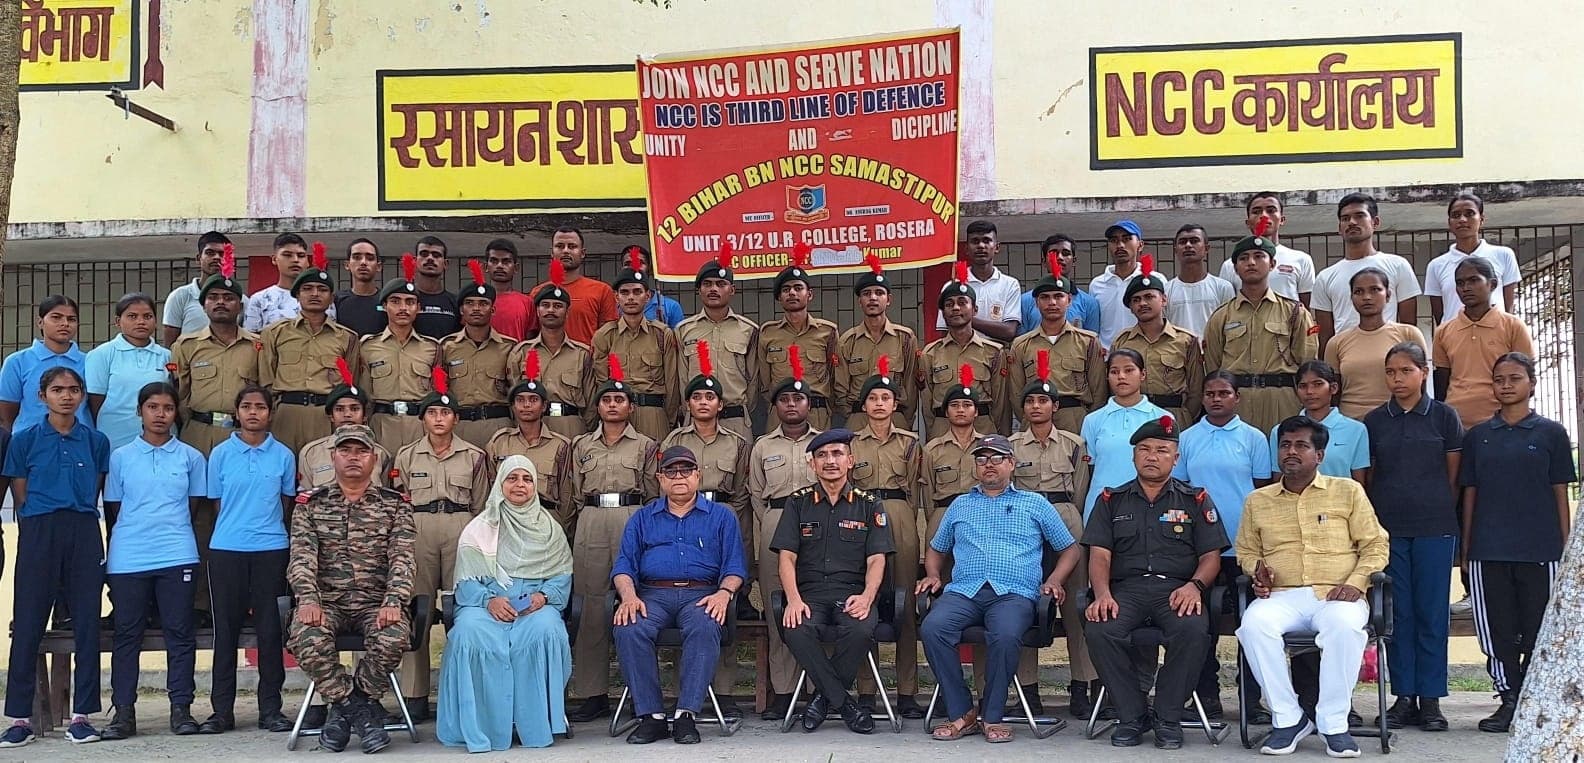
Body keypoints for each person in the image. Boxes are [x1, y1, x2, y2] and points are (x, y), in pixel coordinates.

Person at [1235, 416, 1389, 758]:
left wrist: (1356, 583)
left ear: (1319, 455)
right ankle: (1288, 719)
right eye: (1286, 445)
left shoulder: (1347, 491)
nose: (1291, 452)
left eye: (1301, 445)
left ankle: (1334, 723)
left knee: (1345, 626)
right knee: (1253, 626)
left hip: (1336, 594)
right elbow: (1246, 551)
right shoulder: (1257, 501)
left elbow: (1376, 546)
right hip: (1282, 595)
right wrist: (1257, 571)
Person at [917, 434, 1082, 744]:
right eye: (981, 459)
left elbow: (1070, 549)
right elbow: (937, 548)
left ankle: (992, 715)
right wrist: (933, 574)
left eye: (996, 459)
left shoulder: (1035, 504)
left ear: (1011, 464)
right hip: (964, 592)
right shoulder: (960, 504)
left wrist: (1054, 580)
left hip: (1014, 593)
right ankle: (961, 712)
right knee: (933, 627)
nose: (988, 465)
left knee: (1005, 635)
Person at [1085, 417, 1229, 749]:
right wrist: (1102, 594)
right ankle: (1132, 716)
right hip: (1127, 590)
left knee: (1193, 631)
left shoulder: (1195, 500)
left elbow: (1211, 557)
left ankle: (1168, 717)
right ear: (1134, 456)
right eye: (1145, 450)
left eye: (1162, 450)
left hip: (1177, 589)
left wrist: (1195, 586)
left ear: (1176, 458)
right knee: (1100, 629)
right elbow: (1100, 555)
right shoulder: (1111, 500)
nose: (1152, 456)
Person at [1460, 352, 1575, 734]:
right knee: (1497, 629)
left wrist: (1565, 549)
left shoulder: (1551, 433)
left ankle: (1532, 699)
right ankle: (1508, 699)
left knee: (1539, 626)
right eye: (1499, 379)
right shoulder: (1478, 436)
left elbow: (1560, 492)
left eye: (1514, 378)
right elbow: (1470, 494)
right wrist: (1467, 548)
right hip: (1488, 549)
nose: (1506, 385)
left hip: (1540, 549)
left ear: (1531, 383)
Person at [286, 424, 417, 755]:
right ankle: (358, 711)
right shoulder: (310, 504)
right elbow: (301, 558)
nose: (353, 458)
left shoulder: (394, 504)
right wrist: (308, 599)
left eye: (361, 451)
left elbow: (403, 559)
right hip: (326, 603)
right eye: (346, 451)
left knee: (393, 635)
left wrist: (393, 602)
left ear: (374, 459)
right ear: (333, 457)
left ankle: (343, 712)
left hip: (376, 604)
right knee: (307, 634)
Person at [0, 367, 112, 748]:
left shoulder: (96, 441)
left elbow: (95, 486)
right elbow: (20, 492)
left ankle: (82, 715)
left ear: (82, 395)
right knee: (29, 621)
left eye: (74, 389)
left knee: (86, 623)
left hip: (82, 529)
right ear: (41, 395)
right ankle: (19, 717)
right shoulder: (25, 440)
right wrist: (36, 527)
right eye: (58, 389)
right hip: (39, 530)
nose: (67, 396)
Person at [612, 446, 748, 745]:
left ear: (698, 476)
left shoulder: (722, 517)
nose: (679, 477)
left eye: (686, 470)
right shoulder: (642, 518)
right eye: (671, 472)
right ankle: (652, 717)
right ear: (660, 479)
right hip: (652, 595)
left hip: (702, 594)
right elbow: (623, 565)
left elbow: (735, 566)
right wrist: (629, 596)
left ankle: (686, 715)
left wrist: (724, 594)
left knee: (705, 624)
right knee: (629, 626)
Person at [438, 456, 574, 751]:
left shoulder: (550, 529)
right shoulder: (480, 528)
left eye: (527, 479)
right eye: (512, 478)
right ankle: (482, 726)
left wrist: (543, 597)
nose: (520, 485)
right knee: (467, 632)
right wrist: (489, 601)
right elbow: (467, 581)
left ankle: (537, 725)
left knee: (547, 629)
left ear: (535, 486)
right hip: (487, 606)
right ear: (500, 484)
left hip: (534, 608)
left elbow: (562, 577)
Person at [1363, 342, 1464, 733]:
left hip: (1435, 528)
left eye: (1406, 371)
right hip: (1389, 531)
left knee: (1432, 614)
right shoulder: (1374, 422)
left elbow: (1453, 477)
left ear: (1424, 372)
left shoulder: (1444, 417)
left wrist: (1438, 511)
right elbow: (1369, 477)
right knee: (1397, 615)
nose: (1398, 379)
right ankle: (1403, 696)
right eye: (1391, 372)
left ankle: (1432, 699)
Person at [101, 382, 207, 740]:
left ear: (177, 413)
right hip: (129, 556)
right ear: (139, 412)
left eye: (167, 408)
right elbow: (115, 508)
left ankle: (181, 710)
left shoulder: (190, 457)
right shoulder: (120, 457)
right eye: (152, 407)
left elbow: (193, 507)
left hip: (177, 553)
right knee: (126, 634)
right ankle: (124, 714)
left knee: (180, 633)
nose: (160, 415)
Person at [772, 429, 891, 734]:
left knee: (861, 630)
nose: (830, 461)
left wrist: (867, 596)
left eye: (837, 454)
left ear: (850, 461)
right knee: (795, 629)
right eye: (822, 455)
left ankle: (822, 701)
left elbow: (877, 558)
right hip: (809, 593)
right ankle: (846, 706)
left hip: (852, 592)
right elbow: (786, 557)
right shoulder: (798, 503)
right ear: (812, 464)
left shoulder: (869, 504)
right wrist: (794, 600)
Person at [391, 371, 492, 720]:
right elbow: (399, 501)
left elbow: (481, 505)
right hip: (417, 530)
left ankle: (462, 690)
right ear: (423, 419)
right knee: (414, 612)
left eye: (445, 413)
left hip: (461, 530)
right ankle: (414, 696)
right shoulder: (406, 456)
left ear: (456, 419)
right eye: (432, 413)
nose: (439, 419)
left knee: (464, 612)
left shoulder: (474, 456)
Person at [565, 362, 662, 723]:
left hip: (632, 517)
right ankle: (593, 693)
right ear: (598, 407)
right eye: (606, 400)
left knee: (638, 604)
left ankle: (641, 692)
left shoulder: (647, 445)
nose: (612, 405)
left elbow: (655, 494)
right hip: (591, 520)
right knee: (590, 607)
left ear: (631, 407)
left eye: (619, 399)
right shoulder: (580, 446)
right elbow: (573, 494)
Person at [661, 347, 756, 710]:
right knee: (680, 599)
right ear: (688, 404)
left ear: (720, 404)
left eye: (710, 397)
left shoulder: (738, 443)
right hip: (681, 525)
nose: (703, 402)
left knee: (720, 601)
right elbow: (665, 486)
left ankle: (725, 690)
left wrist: (728, 523)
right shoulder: (673, 442)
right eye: (697, 396)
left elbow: (745, 492)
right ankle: (682, 691)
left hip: (721, 521)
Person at [1173, 371, 1271, 718]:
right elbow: (1181, 490)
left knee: (1251, 623)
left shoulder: (1254, 438)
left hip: (1243, 547)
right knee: (1202, 627)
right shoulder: (1187, 438)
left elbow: (1262, 492)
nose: (1216, 398)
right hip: (1199, 548)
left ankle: (1251, 699)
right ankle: (1206, 697)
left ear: (1237, 398)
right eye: (1210, 393)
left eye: (1224, 393)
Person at [202, 385, 297, 734]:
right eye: (246, 406)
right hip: (227, 549)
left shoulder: (284, 455)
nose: (253, 412)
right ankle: (221, 712)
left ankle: (270, 708)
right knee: (224, 632)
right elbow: (216, 503)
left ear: (270, 414)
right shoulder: (221, 454)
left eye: (260, 407)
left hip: (271, 549)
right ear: (236, 412)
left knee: (271, 632)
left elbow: (286, 504)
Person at [171, 260, 260, 626]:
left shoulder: (257, 346)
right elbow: (177, 397)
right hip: (197, 437)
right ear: (204, 305)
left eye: (228, 297)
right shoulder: (186, 346)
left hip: (242, 439)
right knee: (200, 521)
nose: (221, 302)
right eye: (214, 298)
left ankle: (245, 603)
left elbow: (265, 392)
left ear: (240, 305)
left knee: (243, 514)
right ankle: (201, 605)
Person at [1008, 354, 1096, 717]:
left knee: (1076, 606)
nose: (1036, 406)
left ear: (1056, 406)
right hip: (1025, 522)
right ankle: (1028, 691)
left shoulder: (1074, 444)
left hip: (1065, 517)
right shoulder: (1011, 445)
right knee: (1026, 604)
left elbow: (1080, 488)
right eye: (1029, 401)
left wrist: (1065, 513)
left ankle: (1081, 687)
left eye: (1043, 400)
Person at [847, 364, 925, 717]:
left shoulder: (910, 443)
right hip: (862, 513)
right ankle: (867, 689)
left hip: (898, 512)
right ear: (864, 406)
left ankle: (906, 690)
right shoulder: (850, 442)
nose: (879, 403)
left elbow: (918, 491)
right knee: (866, 598)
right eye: (873, 398)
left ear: (895, 404)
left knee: (904, 600)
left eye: (886, 398)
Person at [749, 372, 821, 720]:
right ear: (775, 406)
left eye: (798, 399)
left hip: (819, 523)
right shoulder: (762, 446)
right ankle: (783, 690)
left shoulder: (823, 443)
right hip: (776, 522)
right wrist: (772, 526)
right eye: (784, 401)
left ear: (809, 404)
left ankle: (818, 686)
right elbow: (755, 493)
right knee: (779, 607)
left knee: (816, 602)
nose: (791, 405)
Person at [1203, 227, 1319, 435]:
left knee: (1284, 462)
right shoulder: (1221, 317)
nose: (1251, 262)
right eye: (1244, 258)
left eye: (1259, 256)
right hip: (1238, 404)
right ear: (1235, 269)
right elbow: (1214, 367)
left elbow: (1307, 363)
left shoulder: (1294, 312)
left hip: (1282, 402)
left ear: (1272, 264)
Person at [258, 251, 362, 456]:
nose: (315, 294)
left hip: (325, 416)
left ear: (331, 297)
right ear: (297, 295)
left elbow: (351, 383)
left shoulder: (347, 337)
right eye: (307, 289)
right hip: (286, 415)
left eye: (322, 289)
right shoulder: (275, 332)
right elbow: (266, 380)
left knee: (324, 476)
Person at [1433, 257, 1536, 429]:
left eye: (1474, 280)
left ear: (1493, 284)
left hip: (1503, 424)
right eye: (1460, 283)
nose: (1466, 288)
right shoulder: (1443, 331)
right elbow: (1442, 384)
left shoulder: (1512, 326)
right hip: (1458, 425)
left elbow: (1526, 379)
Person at [1008, 255, 1106, 435]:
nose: (1052, 302)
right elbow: (1016, 394)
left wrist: (1089, 425)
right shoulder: (1021, 345)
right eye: (1045, 297)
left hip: (1076, 421)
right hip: (1034, 423)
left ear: (1069, 300)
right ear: (1036, 303)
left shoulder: (1088, 341)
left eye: (1058, 296)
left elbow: (1099, 390)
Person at [1312, 193, 1421, 351]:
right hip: (1346, 360)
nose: (1352, 222)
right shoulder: (1325, 277)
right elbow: (1326, 337)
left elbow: (1408, 325)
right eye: (1345, 218)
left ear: (1375, 222)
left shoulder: (1398, 265)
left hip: (1391, 360)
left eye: (1359, 216)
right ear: (1339, 228)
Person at [591, 251, 681, 442]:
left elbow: (672, 384)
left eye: (637, 292)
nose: (631, 298)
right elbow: (601, 383)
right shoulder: (605, 336)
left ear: (647, 296)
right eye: (625, 292)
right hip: (618, 416)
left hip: (654, 415)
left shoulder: (662, 334)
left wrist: (669, 420)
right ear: (616, 297)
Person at [1080, 348, 1174, 521]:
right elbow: (1089, 467)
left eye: (1129, 370)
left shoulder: (1163, 418)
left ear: (1143, 374)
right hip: (1102, 506)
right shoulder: (1093, 420)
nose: (1121, 376)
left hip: (1149, 507)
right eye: (1114, 372)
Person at [1324, 268, 1429, 419]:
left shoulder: (1408, 334)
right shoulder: (1336, 343)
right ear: (1351, 298)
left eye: (1375, 290)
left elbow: (1421, 384)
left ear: (1388, 295)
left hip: (1398, 422)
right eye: (1359, 292)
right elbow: (1333, 394)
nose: (1367, 297)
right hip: (1351, 425)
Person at [360, 255, 441, 452]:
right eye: (395, 301)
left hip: (420, 425)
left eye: (410, 302)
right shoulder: (367, 346)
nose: (403, 308)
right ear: (385, 306)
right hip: (381, 425)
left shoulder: (432, 347)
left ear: (418, 308)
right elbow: (362, 392)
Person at [924, 264, 1013, 439]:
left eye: (962, 303)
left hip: (984, 430)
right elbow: (927, 405)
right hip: (943, 431)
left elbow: (1001, 402)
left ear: (975, 310)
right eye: (949, 304)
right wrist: (933, 434)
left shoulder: (994, 352)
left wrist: (999, 436)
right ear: (943, 313)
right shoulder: (930, 354)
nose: (956, 308)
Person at [486, 355, 573, 532]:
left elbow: (567, 495)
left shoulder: (560, 445)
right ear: (512, 406)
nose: (526, 405)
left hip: (545, 519)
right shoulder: (499, 442)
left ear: (544, 406)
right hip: (507, 521)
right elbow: (490, 488)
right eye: (520, 400)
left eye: (533, 400)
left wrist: (560, 527)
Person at [509, 262, 596, 440]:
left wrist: (583, 433)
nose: (551, 310)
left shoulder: (582, 354)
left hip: (571, 427)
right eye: (545, 305)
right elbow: (511, 397)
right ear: (538, 311)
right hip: (531, 429)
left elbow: (592, 404)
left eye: (557, 306)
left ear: (567, 312)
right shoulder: (521, 352)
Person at [1113, 256, 1205, 423]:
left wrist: (1184, 417)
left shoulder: (1185, 341)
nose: (1142, 303)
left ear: (1163, 300)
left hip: (1172, 417)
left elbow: (1196, 389)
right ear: (1131, 308)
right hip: (1131, 417)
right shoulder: (1121, 342)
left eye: (1149, 297)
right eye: (1136, 300)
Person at [757, 245, 839, 431]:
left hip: (817, 413)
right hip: (781, 412)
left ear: (809, 294)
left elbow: (835, 378)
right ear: (779, 297)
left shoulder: (827, 332)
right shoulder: (767, 333)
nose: (792, 293)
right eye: (786, 289)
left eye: (797, 288)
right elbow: (764, 381)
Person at [676, 256, 759, 440]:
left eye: (721, 284)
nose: (714, 289)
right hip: (696, 421)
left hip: (735, 419)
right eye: (707, 284)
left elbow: (753, 381)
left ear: (732, 290)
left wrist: (739, 406)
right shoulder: (684, 330)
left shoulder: (748, 330)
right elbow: (682, 378)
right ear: (699, 290)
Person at [836, 255, 922, 429]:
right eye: (866, 294)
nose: (873, 298)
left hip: (895, 419)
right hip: (858, 419)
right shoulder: (847, 341)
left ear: (888, 300)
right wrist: (853, 414)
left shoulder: (904, 338)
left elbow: (911, 385)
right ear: (860, 301)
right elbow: (840, 388)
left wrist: (904, 417)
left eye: (879, 293)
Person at [441, 262, 516, 446]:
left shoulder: (509, 347)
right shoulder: (446, 347)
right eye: (470, 303)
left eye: (483, 303)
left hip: (498, 426)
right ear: (461, 310)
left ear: (493, 310)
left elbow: (516, 391)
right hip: (460, 426)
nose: (476, 308)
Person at [87, 293, 172, 451]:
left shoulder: (167, 356)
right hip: (115, 438)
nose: (141, 322)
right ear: (118, 322)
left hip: (160, 439)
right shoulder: (102, 354)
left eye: (147, 316)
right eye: (132, 316)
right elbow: (95, 402)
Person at [1425, 193, 1520, 325]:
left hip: (1496, 336)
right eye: (1456, 215)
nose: (1462, 220)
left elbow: (1508, 307)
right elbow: (1440, 315)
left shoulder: (1504, 255)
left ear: (1481, 219)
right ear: (1449, 223)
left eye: (1469, 214)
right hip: (1456, 339)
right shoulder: (1436, 265)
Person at [297, 360, 394, 490]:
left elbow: (384, 496)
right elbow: (306, 497)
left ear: (365, 415)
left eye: (354, 409)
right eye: (339, 409)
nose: (347, 414)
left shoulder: (380, 453)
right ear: (331, 416)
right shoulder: (311, 452)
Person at [0, 295, 91, 433]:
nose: (65, 323)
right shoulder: (17, 362)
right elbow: (6, 413)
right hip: (29, 445)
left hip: (79, 442)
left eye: (71, 319)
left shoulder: (89, 361)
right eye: (56, 317)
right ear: (40, 322)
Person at [1271, 361, 1371, 484]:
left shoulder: (1356, 430)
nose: (1310, 391)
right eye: (1303, 386)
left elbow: (1358, 482)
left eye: (1317, 384)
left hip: (1339, 501)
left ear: (1333, 388)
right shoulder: (1281, 431)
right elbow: (1278, 480)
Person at [522, 226, 618, 343]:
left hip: (587, 360)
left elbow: (610, 337)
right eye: (560, 246)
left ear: (582, 253)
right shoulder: (538, 292)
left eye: (572, 246)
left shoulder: (602, 290)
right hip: (547, 359)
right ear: (552, 252)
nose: (566, 251)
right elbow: (531, 335)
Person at [1219, 192, 1316, 305]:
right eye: (1256, 212)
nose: (1264, 216)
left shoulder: (1301, 260)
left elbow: (1307, 308)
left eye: (1271, 210)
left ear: (1282, 219)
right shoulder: (1230, 265)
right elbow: (1227, 308)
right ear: (1248, 222)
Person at [934, 221, 1021, 342]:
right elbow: (944, 331)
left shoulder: (1010, 284)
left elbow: (1009, 331)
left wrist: (964, 318)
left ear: (996, 247)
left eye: (986, 240)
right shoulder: (952, 286)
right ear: (966, 249)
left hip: (997, 356)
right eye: (975, 241)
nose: (981, 245)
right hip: (961, 353)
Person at [163, 232, 238, 344]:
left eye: (222, 254)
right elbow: (171, 346)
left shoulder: (239, 299)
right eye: (210, 253)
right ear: (198, 259)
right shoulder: (180, 296)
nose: (217, 258)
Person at [244, 233, 328, 332]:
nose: (295, 260)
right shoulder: (259, 299)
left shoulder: (322, 298)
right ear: (275, 259)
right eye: (287, 255)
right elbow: (252, 339)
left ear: (307, 262)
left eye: (301, 255)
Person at [1019, 234, 1101, 335]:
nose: (1060, 257)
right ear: (1044, 261)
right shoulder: (1025, 301)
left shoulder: (1089, 303)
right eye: (1053, 253)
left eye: (1066, 253)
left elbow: (1092, 343)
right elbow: (1021, 343)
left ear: (1074, 260)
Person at [1166, 224, 1236, 337]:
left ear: (1206, 248)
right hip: (1177, 354)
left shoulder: (1223, 287)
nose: (1188, 245)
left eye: (1194, 241)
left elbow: (1230, 327)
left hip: (1213, 354)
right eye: (1182, 242)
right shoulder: (1166, 290)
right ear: (1175, 250)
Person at [1088, 220, 1146, 348]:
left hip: (1144, 357)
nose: (1120, 245)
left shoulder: (1153, 280)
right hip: (1108, 360)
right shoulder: (1097, 284)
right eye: (1114, 240)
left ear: (1140, 245)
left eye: (1126, 239)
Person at [333, 238, 387, 337]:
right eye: (357, 257)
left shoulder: (387, 300)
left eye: (370, 258)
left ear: (379, 266)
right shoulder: (336, 301)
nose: (363, 262)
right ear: (347, 265)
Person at [411, 235, 462, 339]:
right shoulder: (405, 300)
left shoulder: (456, 302)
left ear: (445, 264)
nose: (430, 258)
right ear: (414, 261)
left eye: (436, 255)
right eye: (424, 254)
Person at [625, 245, 685, 328]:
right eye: (627, 264)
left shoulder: (670, 307)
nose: (634, 268)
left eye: (640, 263)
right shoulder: (614, 306)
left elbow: (677, 340)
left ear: (649, 269)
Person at [483, 239, 532, 340]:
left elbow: (530, 342)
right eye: (494, 261)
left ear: (516, 268)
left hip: (516, 355)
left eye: (506, 261)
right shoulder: (475, 301)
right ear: (486, 266)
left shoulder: (527, 302)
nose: (500, 266)